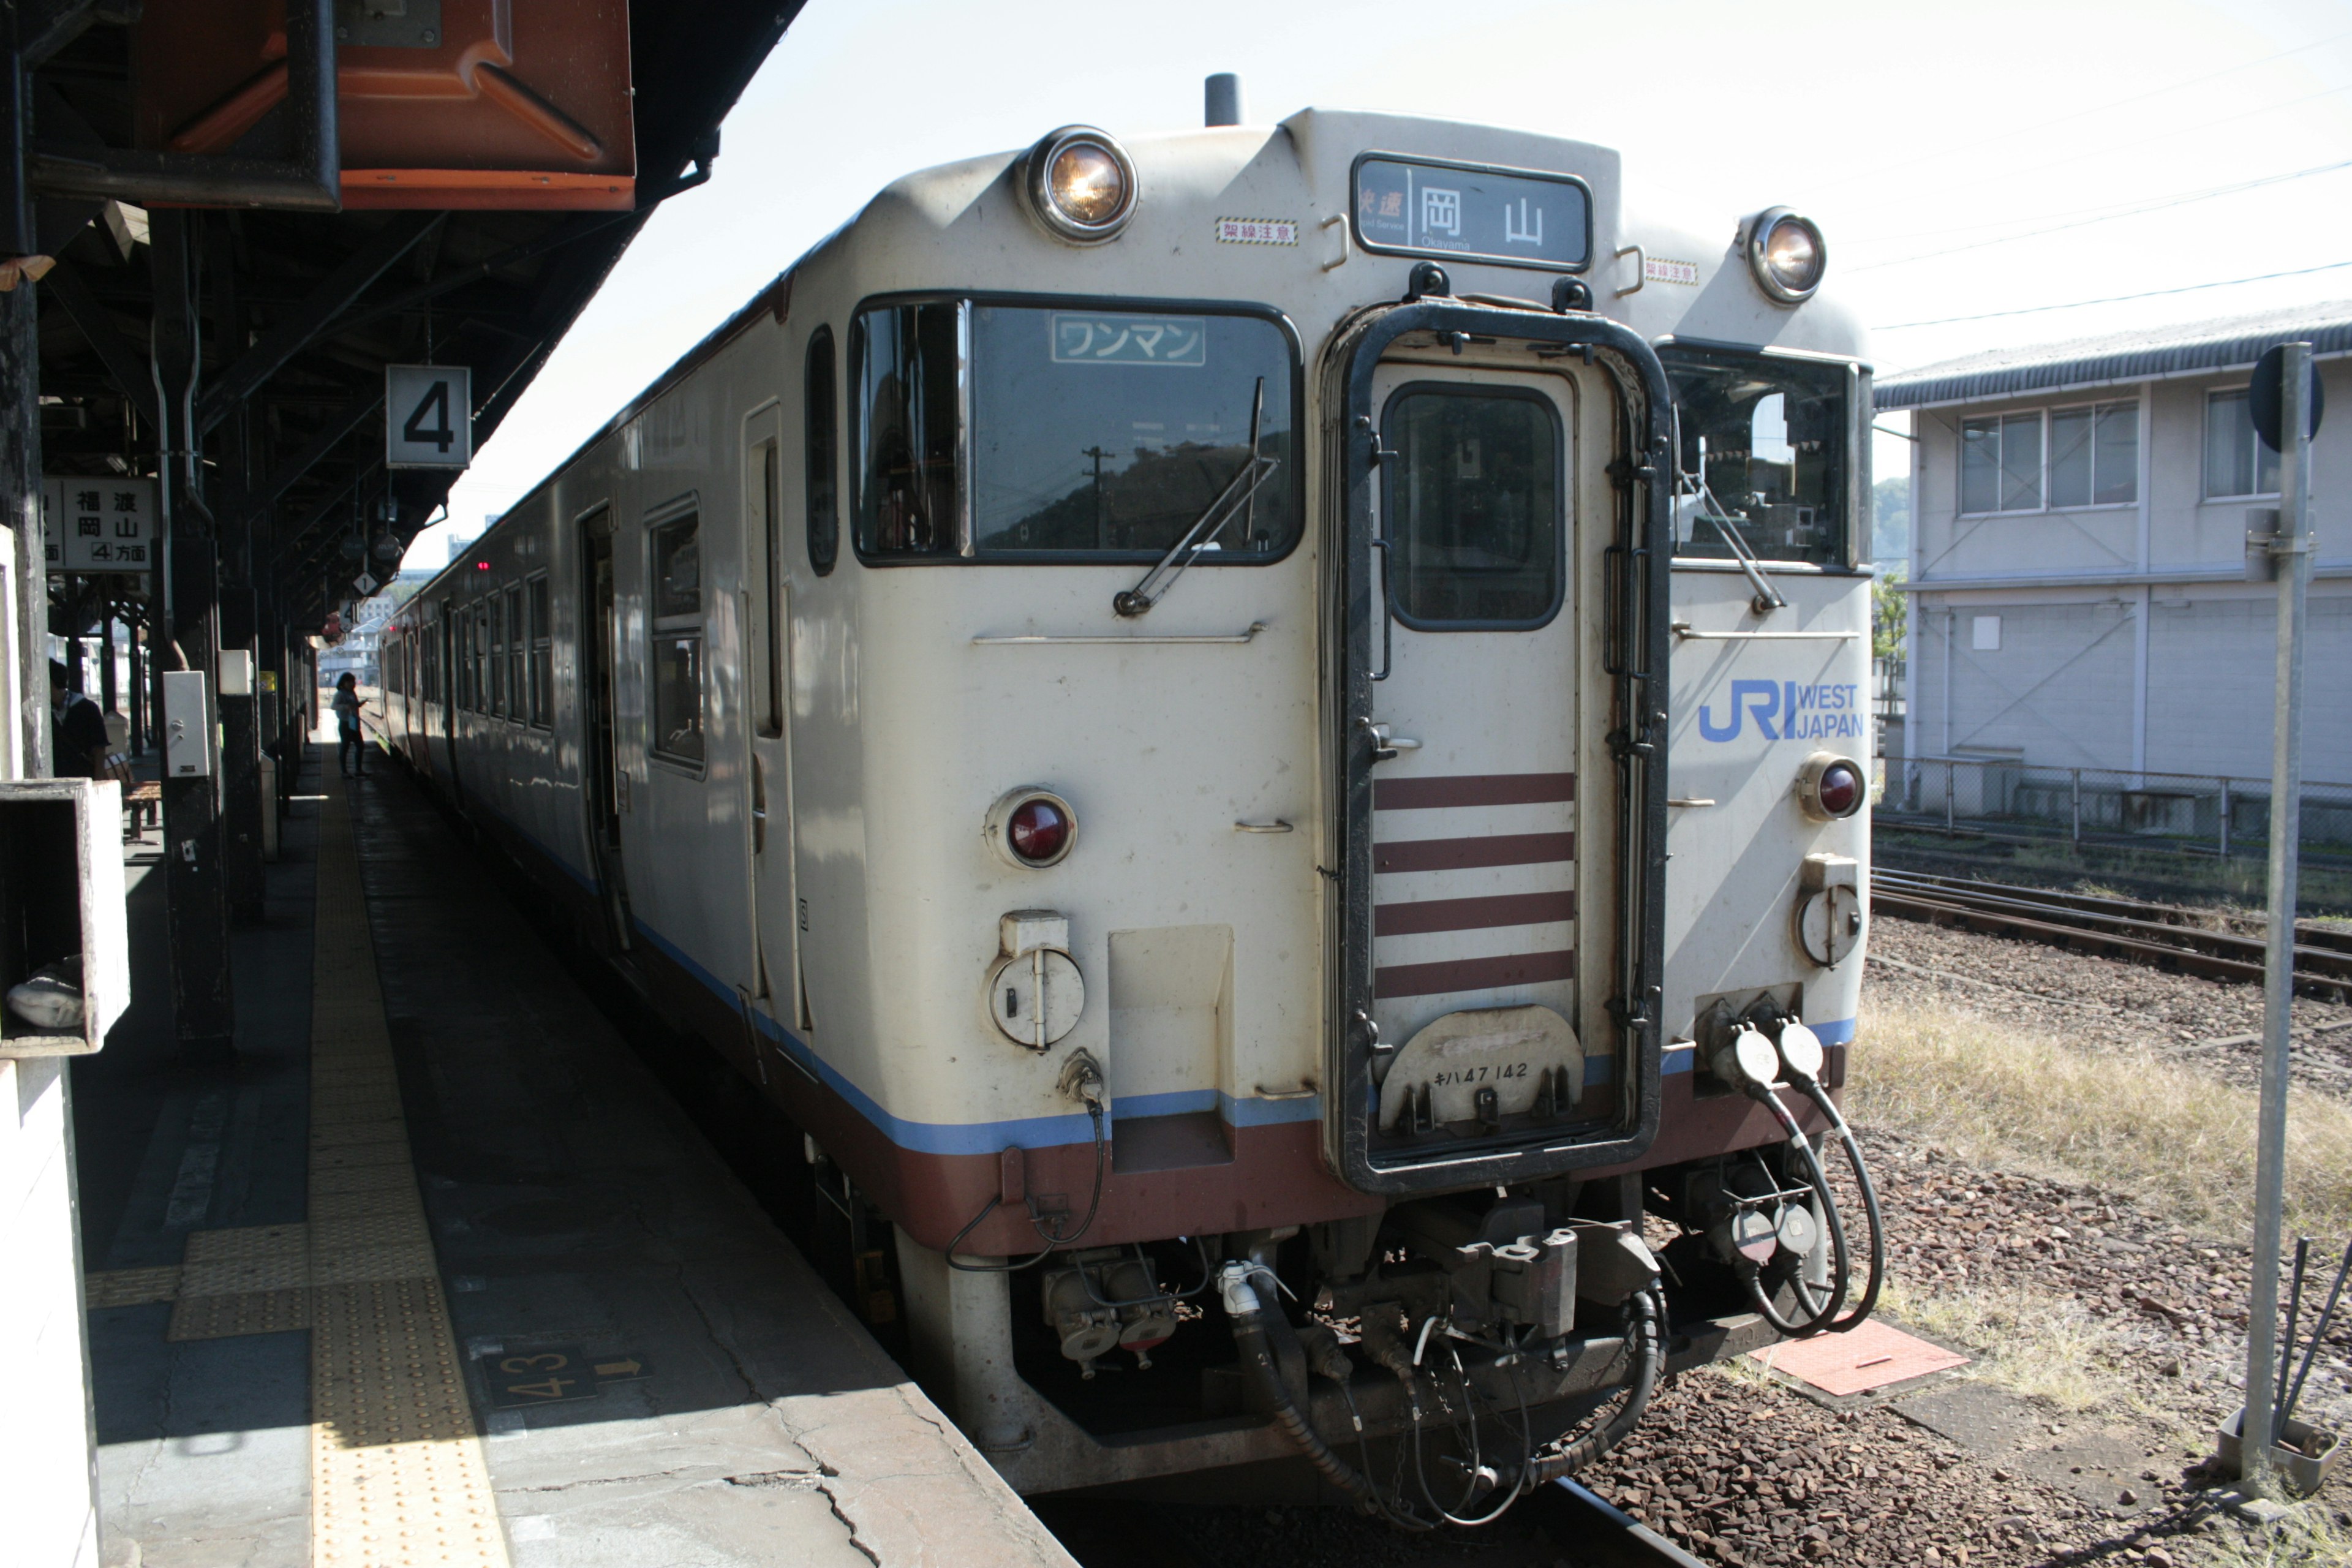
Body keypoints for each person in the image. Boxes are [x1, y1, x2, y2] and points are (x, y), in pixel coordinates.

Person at [50, 660, 109, 780]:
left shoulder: (87, 708)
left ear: (52, 682)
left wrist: (97, 782)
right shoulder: (42, 712)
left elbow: (99, 748)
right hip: (54, 781)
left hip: (84, 778)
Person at [333, 671, 367, 777]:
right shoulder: (340, 694)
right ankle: (344, 772)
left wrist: (359, 704)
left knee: (360, 746)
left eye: (353, 682)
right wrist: (346, 707)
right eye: (350, 682)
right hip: (345, 723)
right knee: (345, 747)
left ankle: (358, 770)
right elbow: (334, 706)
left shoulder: (352, 693)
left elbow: (354, 705)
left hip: (354, 723)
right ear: (344, 683)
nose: (352, 684)